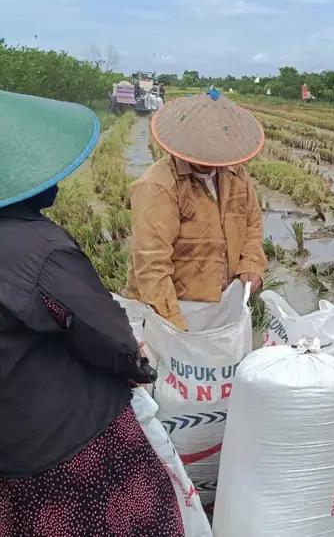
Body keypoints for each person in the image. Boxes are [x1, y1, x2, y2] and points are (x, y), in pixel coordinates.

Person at [0, 90, 181, 535]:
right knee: (139, 516)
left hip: (14, 446)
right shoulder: (38, 247)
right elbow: (103, 331)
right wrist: (137, 361)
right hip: (69, 439)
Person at [125, 89, 267, 331]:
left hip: (221, 306)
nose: (212, 158)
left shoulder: (235, 174)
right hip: (175, 306)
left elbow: (252, 225)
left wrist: (252, 264)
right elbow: (151, 264)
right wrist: (174, 326)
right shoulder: (158, 185)